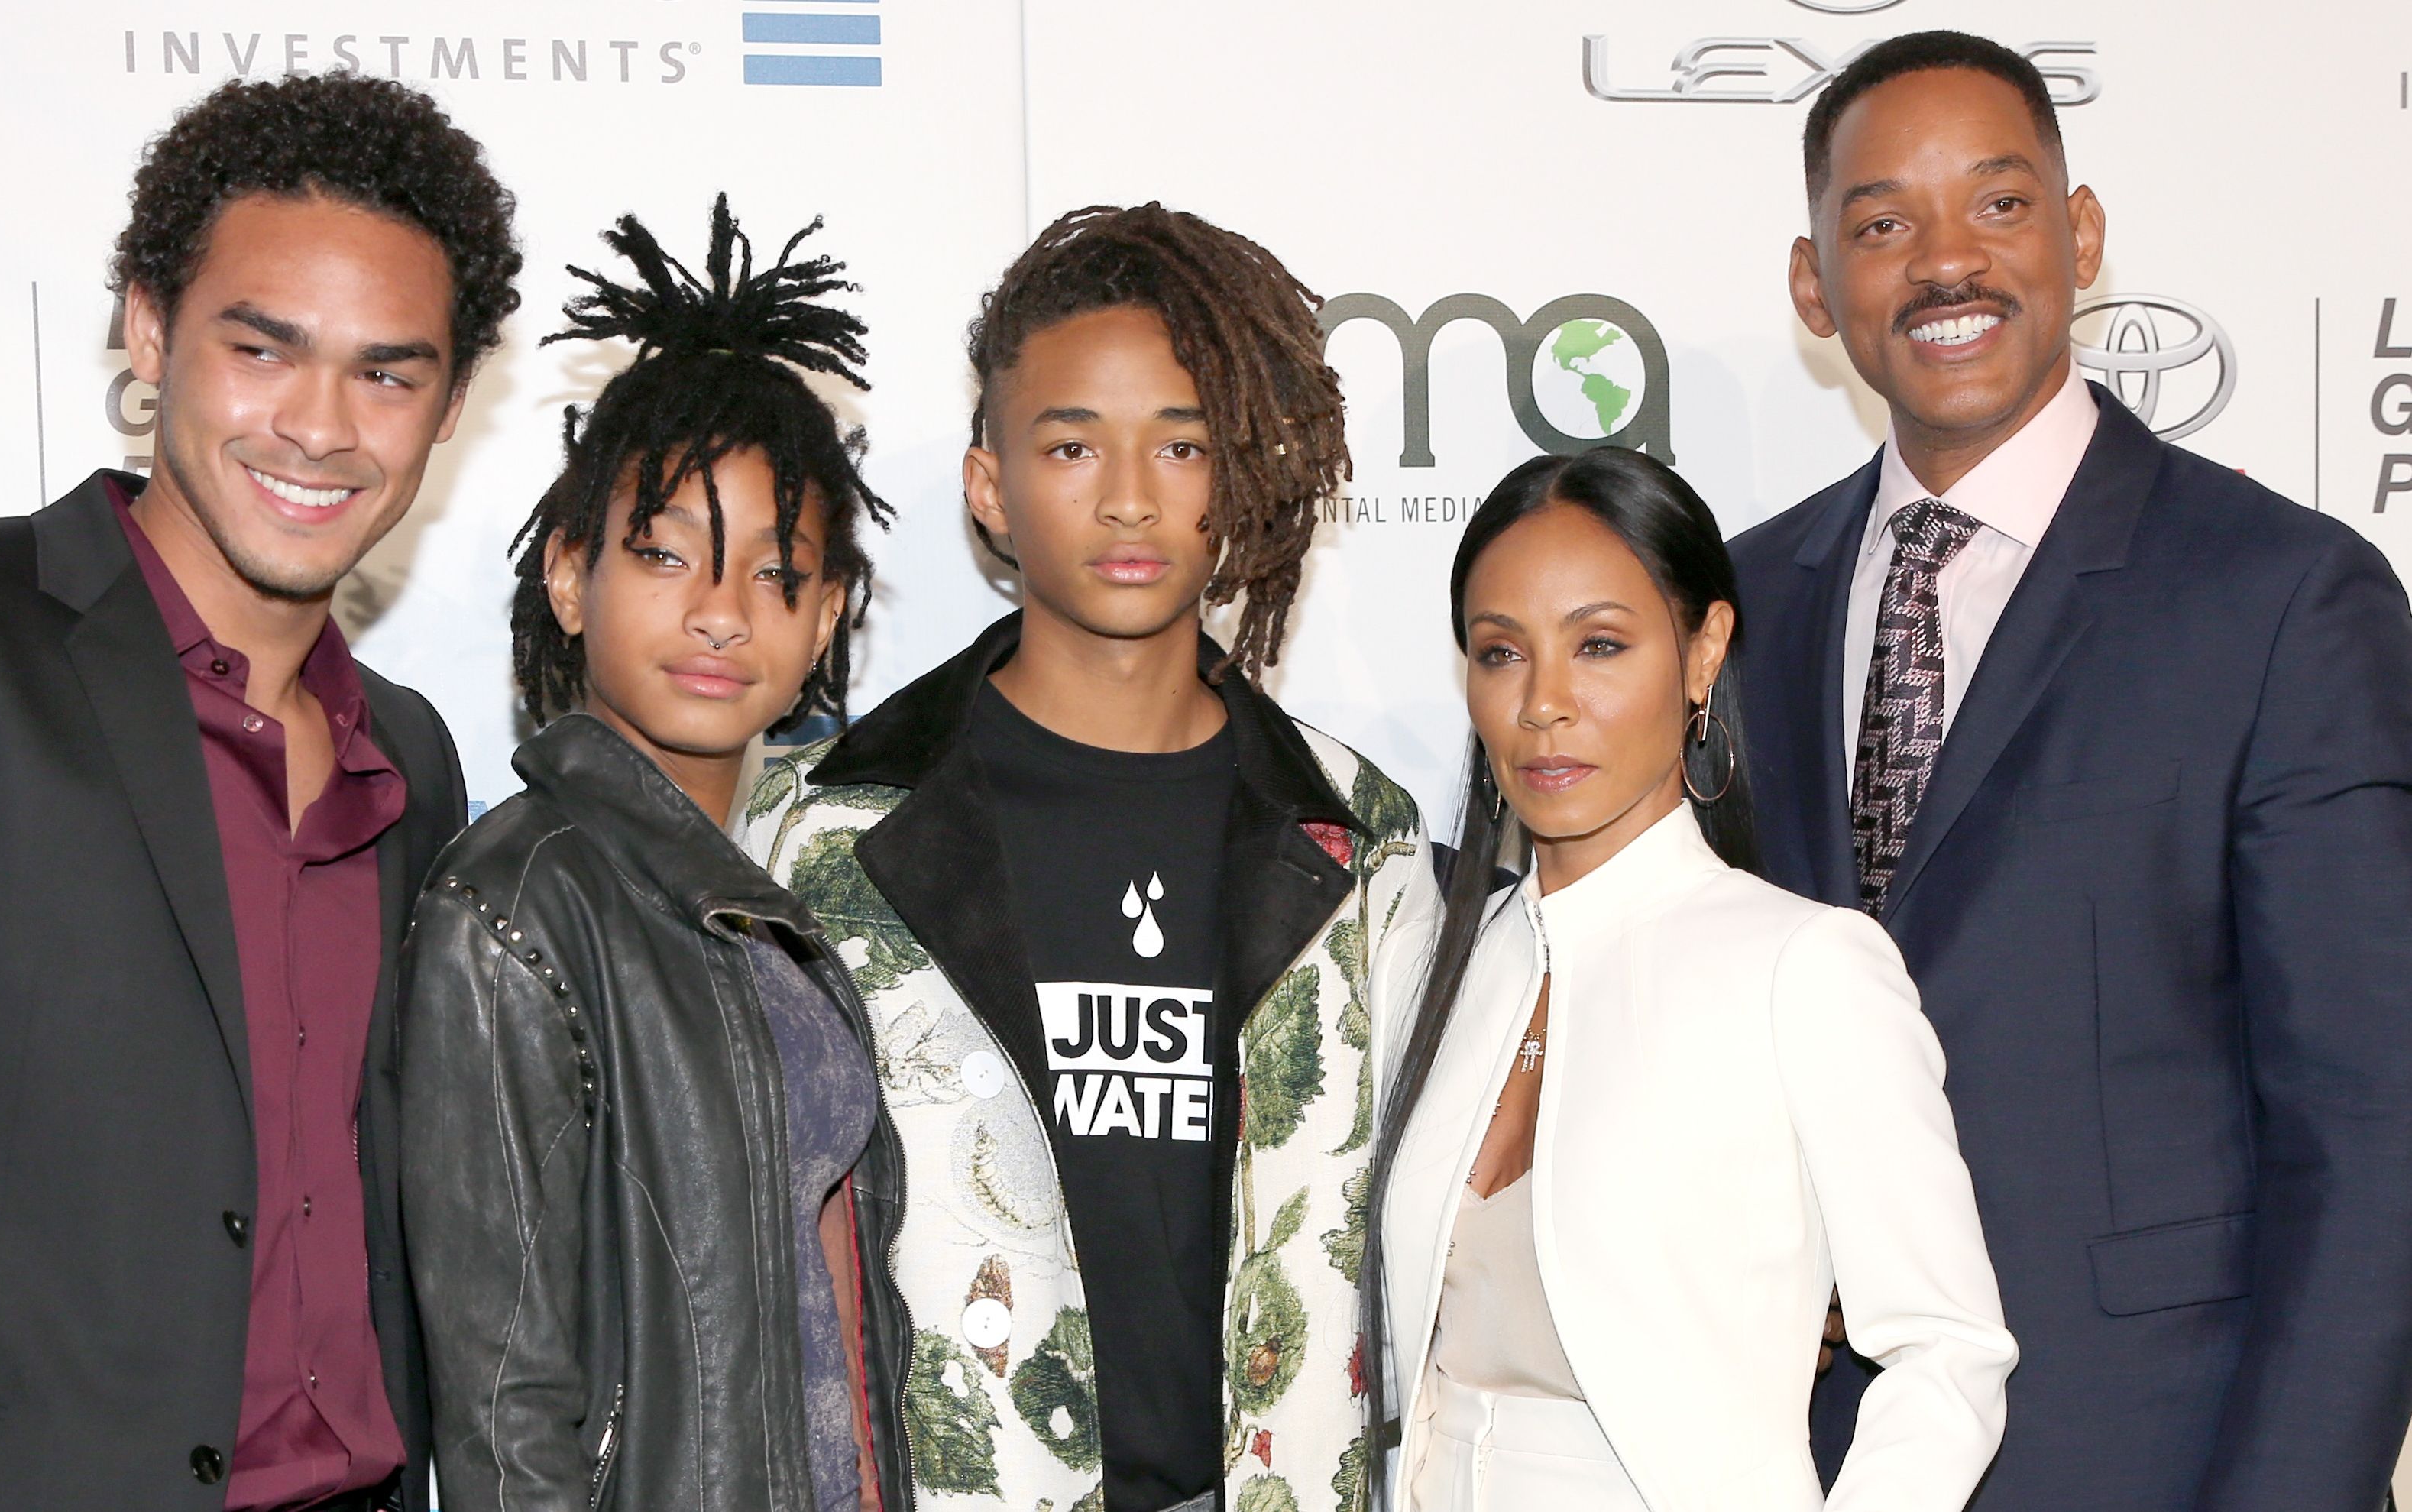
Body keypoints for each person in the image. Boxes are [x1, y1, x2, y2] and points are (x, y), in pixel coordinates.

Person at [0, 73, 517, 1510]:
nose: (320, 426)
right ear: (149, 328)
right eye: (263, 348)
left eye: (387, 375)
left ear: (451, 403)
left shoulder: (409, 752)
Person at [1730, 30, 2412, 1509]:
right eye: (1882, 224)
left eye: (1998, 204)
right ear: (1813, 284)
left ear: (2081, 236)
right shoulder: (1736, 609)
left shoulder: (2282, 599)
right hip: (1804, 1463)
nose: (1946, 262)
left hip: (2151, 1458)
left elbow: (2373, 1138)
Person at [744, 203, 1436, 1512]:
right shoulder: (816, 837)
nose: (1129, 497)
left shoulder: (1362, 839)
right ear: (988, 486)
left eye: (1182, 444)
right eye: (1072, 446)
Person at [1364, 448, 2012, 1512]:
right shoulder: (1430, 968)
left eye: (1600, 645)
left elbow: (1949, 1351)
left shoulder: (1802, 968)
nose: (1544, 704)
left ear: (1702, 652)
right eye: (1501, 653)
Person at [398, 196, 906, 1512]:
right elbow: (504, 1410)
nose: (721, 615)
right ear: (570, 578)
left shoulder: (765, 908)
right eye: (667, 555)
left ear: (825, 618)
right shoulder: (515, 903)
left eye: (775, 576)